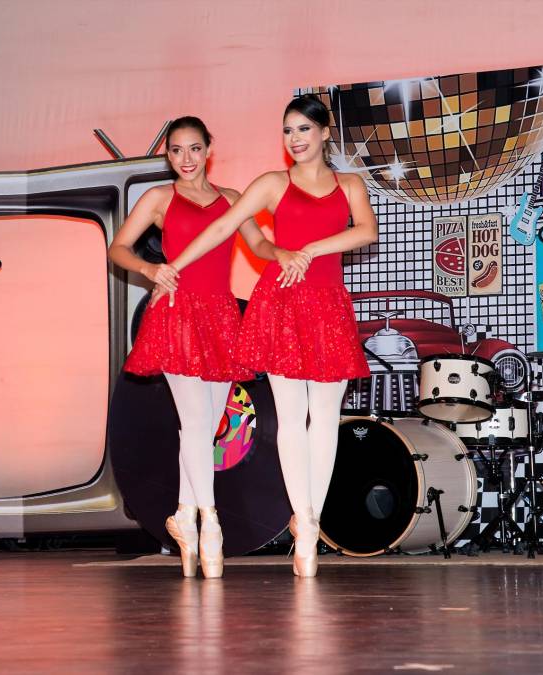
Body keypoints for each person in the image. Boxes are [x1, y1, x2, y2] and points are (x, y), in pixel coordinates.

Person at [162, 94, 377, 577]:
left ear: (324, 133)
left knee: (325, 418)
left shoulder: (350, 185)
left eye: (304, 129)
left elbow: (366, 232)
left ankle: (309, 523)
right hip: (281, 306)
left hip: (326, 307)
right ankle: (303, 521)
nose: (295, 139)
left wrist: (311, 247)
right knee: (291, 415)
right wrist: (173, 266)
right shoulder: (272, 185)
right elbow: (222, 228)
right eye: (287, 131)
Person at [108, 116, 287, 579]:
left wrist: (284, 253)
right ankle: (211, 525)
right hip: (177, 315)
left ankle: (184, 516)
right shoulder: (159, 198)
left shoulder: (230, 200)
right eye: (176, 150)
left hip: (222, 318)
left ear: (210, 150)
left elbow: (257, 244)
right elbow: (119, 249)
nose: (185, 159)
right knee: (193, 419)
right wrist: (149, 271)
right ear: (168, 155)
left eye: (193, 149)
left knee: (206, 429)